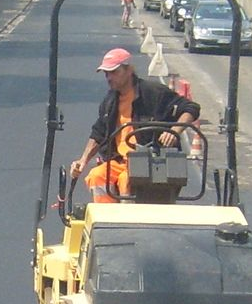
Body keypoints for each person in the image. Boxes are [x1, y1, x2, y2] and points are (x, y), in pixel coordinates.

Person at [68, 47, 201, 203]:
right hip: (118, 161)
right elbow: (98, 132)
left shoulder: (153, 93)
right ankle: (106, 220)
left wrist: (174, 131)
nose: (109, 78)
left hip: (150, 162)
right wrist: (82, 161)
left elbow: (191, 108)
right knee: (97, 176)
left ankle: (129, 222)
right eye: (106, 74)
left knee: (128, 180)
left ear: (129, 70)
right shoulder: (110, 101)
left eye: (114, 72)